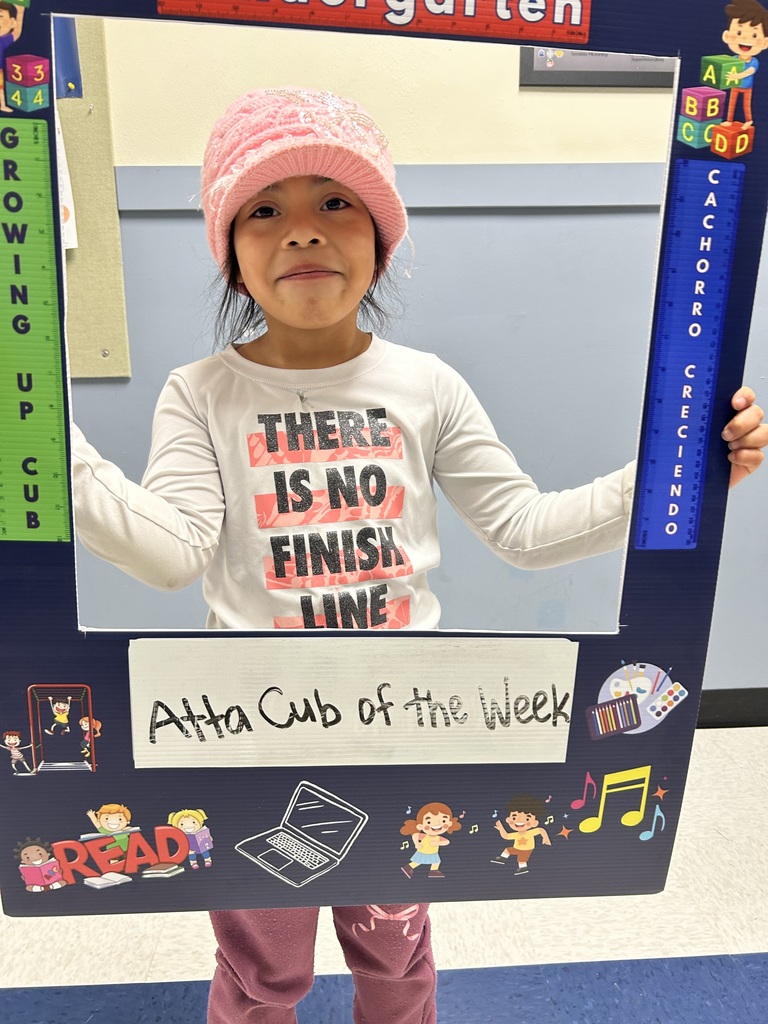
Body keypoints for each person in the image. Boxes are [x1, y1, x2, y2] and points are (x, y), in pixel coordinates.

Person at [70, 88, 768, 1023]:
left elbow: (526, 530)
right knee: (263, 973)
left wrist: (679, 473)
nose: (303, 232)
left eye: (336, 205)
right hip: (247, 740)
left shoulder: (425, 384)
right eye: (265, 210)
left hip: (401, 729)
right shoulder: (198, 392)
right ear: (231, 255)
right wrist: (43, 439)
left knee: (396, 963)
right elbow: (169, 553)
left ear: (380, 241)